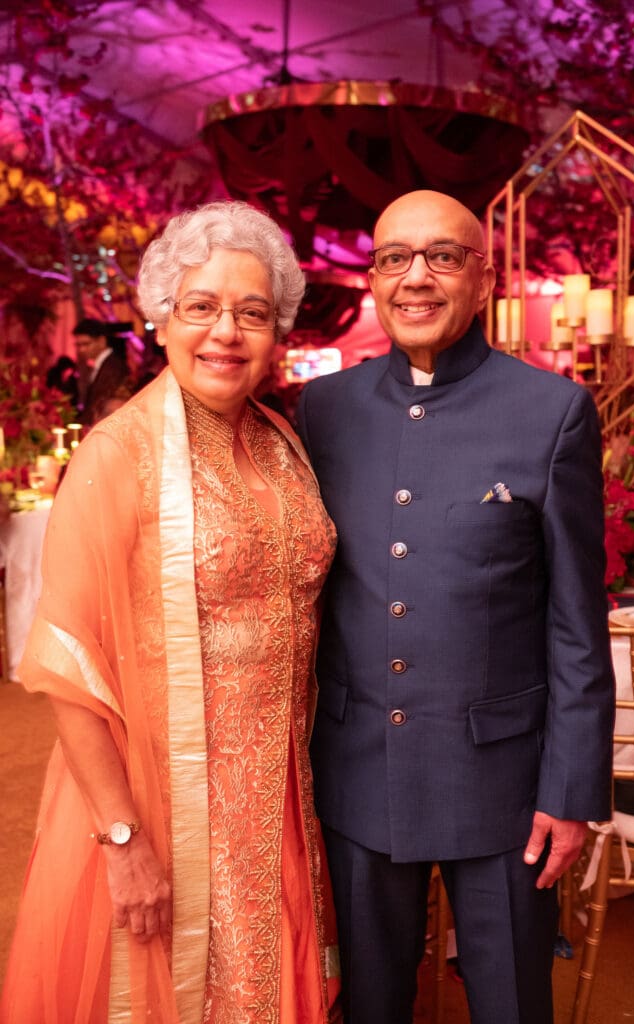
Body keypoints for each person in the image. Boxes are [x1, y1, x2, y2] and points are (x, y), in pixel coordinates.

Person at [1, 201, 341, 1024]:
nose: (226, 332)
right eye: (202, 307)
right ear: (160, 318)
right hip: (161, 801)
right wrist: (123, 844)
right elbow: (69, 666)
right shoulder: (117, 455)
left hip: (283, 802)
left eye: (251, 313)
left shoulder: (280, 441)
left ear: (277, 331)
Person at [296, 189, 615, 1024]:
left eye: (443, 256)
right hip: (357, 771)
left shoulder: (553, 413)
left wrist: (572, 788)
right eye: (395, 257)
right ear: (374, 278)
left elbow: (578, 624)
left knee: (510, 1002)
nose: (416, 278)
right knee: (366, 1003)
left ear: (484, 278)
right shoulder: (324, 410)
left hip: (505, 788)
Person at [73, 317, 129, 424]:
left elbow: (101, 405)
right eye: (78, 345)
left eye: (86, 344)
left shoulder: (113, 367)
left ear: (102, 341)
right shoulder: (103, 365)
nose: (81, 350)